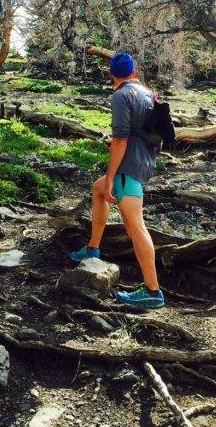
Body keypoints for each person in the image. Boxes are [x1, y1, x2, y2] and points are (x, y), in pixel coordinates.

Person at [68, 51, 164, 309]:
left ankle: (152, 292)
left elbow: (121, 140)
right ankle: (92, 249)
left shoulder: (121, 96)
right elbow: (151, 135)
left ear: (111, 74)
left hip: (127, 168)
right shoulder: (148, 94)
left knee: (136, 227)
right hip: (144, 162)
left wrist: (111, 176)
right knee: (98, 191)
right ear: (134, 71)